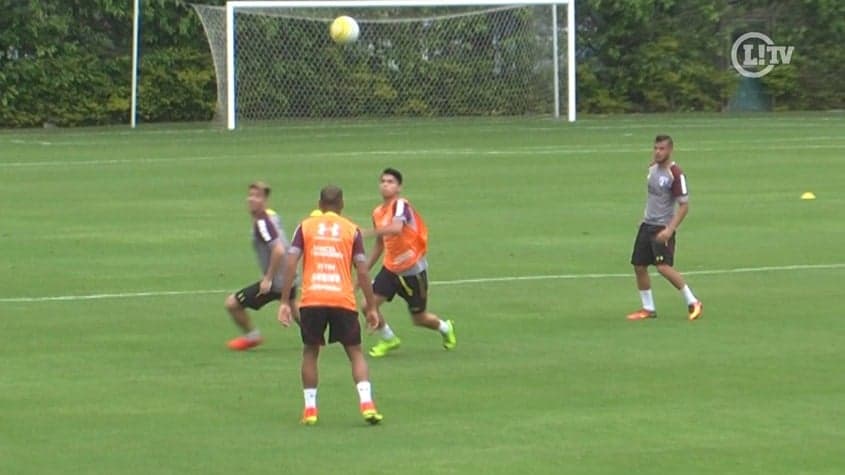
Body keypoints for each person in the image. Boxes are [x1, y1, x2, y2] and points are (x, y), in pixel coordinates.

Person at [277, 185, 383, 426]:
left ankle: (310, 409)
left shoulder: (305, 227)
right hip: (342, 298)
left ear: (320, 204)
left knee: (311, 351)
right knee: (355, 352)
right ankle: (367, 404)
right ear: (342, 205)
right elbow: (363, 270)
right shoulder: (351, 230)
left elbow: (291, 262)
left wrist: (284, 301)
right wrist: (373, 307)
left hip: (312, 298)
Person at [365, 168, 456, 358]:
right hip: (391, 269)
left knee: (419, 318)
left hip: (413, 271)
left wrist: (366, 232)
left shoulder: (400, 205)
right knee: (368, 306)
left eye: (390, 181)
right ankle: (389, 339)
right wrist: (363, 270)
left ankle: (445, 327)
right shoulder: (377, 212)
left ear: (399, 187)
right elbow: (380, 245)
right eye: (383, 181)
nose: (385, 185)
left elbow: (397, 228)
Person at [628, 135, 704, 321]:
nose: (657, 152)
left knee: (663, 267)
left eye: (661, 149)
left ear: (670, 150)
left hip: (662, 227)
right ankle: (648, 308)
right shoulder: (652, 169)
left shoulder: (675, 174)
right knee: (639, 266)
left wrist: (670, 229)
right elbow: (654, 198)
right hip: (648, 224)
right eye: (655, 148)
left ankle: (693, 301)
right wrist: (645, 217)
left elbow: (684, 206)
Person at [224, 181, 299, 350]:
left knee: (232, 304)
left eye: (257, 196)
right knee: (293, 307)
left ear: (265, 200)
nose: (251, 199)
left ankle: (252, 337)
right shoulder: (271, 217)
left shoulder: (262, 223)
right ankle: (316, 339)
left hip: (276, 282)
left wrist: (268, 278)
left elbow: (278, 250)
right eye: (250, 195)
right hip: (289, 275)